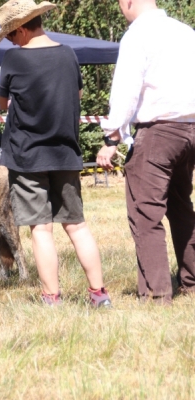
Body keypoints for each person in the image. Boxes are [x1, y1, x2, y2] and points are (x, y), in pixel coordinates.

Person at [0, 0, 111, 307]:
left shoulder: (14, 60)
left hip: (27, 156)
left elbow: (2, 104)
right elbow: (78, 94)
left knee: (41, 229)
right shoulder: (69, 54)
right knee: (77, 225)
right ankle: (99, 295)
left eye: (9, 34)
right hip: (65, 153)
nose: (9, 40)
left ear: (20, 28)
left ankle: (51, 298)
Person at [96, 0, 195, 304]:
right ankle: (191, 283)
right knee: (181, 208)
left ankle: (157, 294)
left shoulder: (137, 35)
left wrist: (112, 136)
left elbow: (126, 90)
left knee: (145, 213)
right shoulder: (185, 31)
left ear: (128, 2)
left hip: (157, 132)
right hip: (190, 128)